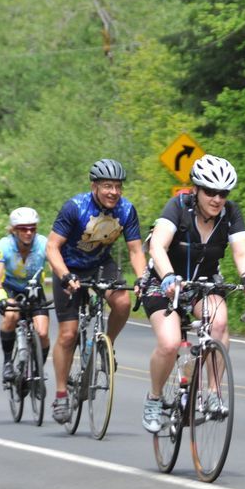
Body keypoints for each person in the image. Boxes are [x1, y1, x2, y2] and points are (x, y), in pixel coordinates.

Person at [139, 155, 245, 433]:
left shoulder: (230, 214)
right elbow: (158, 246)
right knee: (170, 344)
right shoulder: (178, 207)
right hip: (164, 281)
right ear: (195, 189)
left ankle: (212, 393)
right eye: (210, 191)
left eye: (223, 193)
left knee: (218, 322)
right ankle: (154, 399)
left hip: (203, 283)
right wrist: (169, 276)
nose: (217, 199)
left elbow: (241, 250)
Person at [46, 159, 147, 424]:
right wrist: (65, 275)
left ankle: (107, 345)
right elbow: (52, 247)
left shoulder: (126, 210)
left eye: (117, 186)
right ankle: (59, 394)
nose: (114, 192)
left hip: (101, 264)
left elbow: (136, 250)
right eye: (107, 186)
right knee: (68, 335)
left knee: (123, 303)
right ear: (94, 186)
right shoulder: (75, 207)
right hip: (68, 268)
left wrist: (143, 278)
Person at [0, 207, 50, 383]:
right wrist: (0, 298)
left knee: (43, 332)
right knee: (11, 315)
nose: (29, 232)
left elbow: (57, 266)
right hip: (12, 289)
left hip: (34, 288)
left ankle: (38, 371)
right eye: (24, 229)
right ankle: (8, 363)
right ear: (14, 230)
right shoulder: (4, 245)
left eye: (32, 228)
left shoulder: (43, 244)